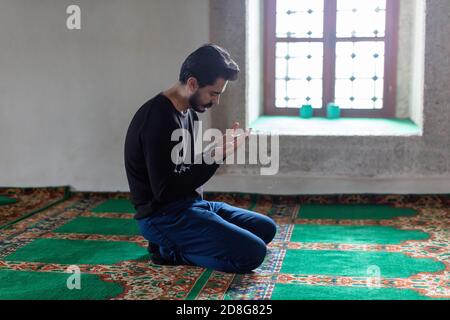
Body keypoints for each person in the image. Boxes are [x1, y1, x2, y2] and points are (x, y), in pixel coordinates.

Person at [124, 44, 276, 273]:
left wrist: (214, 151)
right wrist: (215, 157)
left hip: (191, 204)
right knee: (252, 254)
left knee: (265, 228)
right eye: (214, 93)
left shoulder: (190, 112)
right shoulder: (157, 119)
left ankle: (178, 241)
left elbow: (186, 169)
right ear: (193, 84)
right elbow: (164, 191)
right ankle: (168, 250)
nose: (216, 101)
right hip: (162, 216)